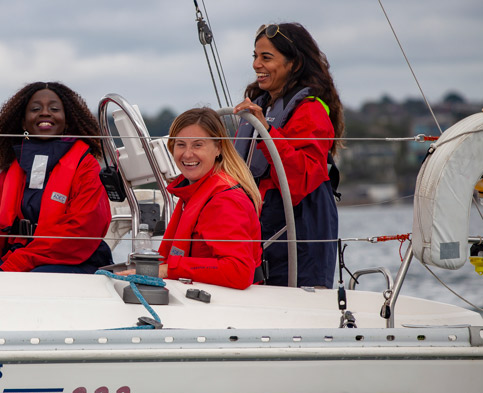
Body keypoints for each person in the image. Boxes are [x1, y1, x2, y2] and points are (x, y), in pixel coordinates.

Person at [233, 22, 343, 288]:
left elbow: (302, 177)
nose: (256, 64)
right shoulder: (259, 106)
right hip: (263, 223)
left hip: (298, 229)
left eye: (266, 57)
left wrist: (268, 131)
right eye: (255, 57)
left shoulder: (311, 111)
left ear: (294, 63)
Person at [0, 82, 113, 273]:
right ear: (23, 122)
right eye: (35, 109)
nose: (44, 113)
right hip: (19, 257)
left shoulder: (85, 166)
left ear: (67, 121)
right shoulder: (11, 170)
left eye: (54, 109)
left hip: (75, 260)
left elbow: (83, 230)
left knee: (30, 278)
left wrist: (18, 263)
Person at [120, 108, 262, 290]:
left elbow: (238, 271)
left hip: (223, 304)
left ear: (218, 148)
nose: (187, 154)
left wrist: (167, 270)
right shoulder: (196, 190)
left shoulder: (225, 200)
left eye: (197, 145)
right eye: (180, 145)